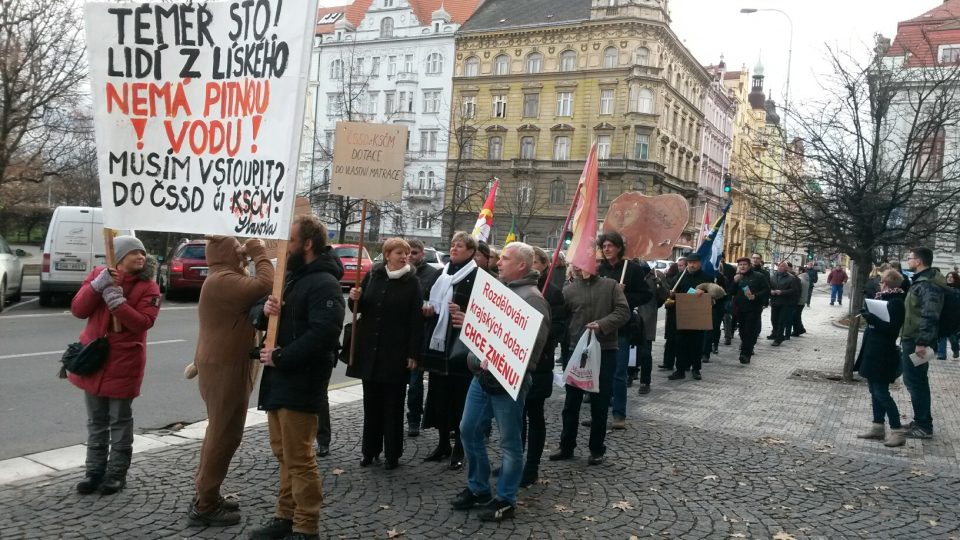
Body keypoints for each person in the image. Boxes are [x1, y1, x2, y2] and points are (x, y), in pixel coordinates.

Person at [249, 215, 346, 540]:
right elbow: (255, 312)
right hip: (280, 379)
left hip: (302, 379)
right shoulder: (289, 277)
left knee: (300, 458)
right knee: (283, 454)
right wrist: (265, 311)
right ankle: (284, 516)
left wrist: (281, 357)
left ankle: (306, 526)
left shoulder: (324, 283)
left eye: (288, 241)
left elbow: (324, 333)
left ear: (307, 244)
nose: (283, 247)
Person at [453, 242, 551, 522]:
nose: (498, 263)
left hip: (508, 384)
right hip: (481, 378)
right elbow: (484, 332)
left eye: (505, 259)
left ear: (522, 265)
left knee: (510, 443)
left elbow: (532, 352)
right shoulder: (496, 291)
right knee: (468, 430)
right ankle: (479, 488)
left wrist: (500, 362)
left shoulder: (533, 300)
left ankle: (506, 499)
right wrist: (474, 351)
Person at [188, 236, 274, 526]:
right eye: (237, 250)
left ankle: (205, 492)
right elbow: (266, 284)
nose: (242, 255)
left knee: (219, 431)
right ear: (227, 253)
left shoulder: (220, 277)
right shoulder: (224, 279)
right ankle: (206, 504)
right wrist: (258, 251)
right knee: (225, 434)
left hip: (221, 362)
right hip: (225, 366)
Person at [70, 236, 161, 496]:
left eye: (142, 253)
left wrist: (118, 304)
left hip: (125, 362)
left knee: (120, 420)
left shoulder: (149, 287)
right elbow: (78, 309)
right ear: (118, 257)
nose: (140, 257)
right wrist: (98, 287)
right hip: (94, 360)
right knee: (96, 420)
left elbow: (143, 322)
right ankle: (93, 472)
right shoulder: (100, 274)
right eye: (133, 252)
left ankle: (116, 474)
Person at [347, 238, 423, 470]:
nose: (404, 257)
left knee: (393, 404)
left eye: (407, 253)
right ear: (387, 254)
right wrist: (354, 299)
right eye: (399, 252)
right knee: (372, 404)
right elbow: (360, 310)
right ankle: (369, 451)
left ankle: (392, 453)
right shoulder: (373, 276)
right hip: (370, 351)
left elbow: (416, 321)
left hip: (395, 352)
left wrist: (413, 353)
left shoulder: (412, 283)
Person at [549, 263, 630, 465]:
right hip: (576, 351)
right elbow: (560, 317)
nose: (578, 267)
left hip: (605, 351)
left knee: (600, 403)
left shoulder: (611, 286)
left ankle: (597, 449)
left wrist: (602, 324)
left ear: (595, 264)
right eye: (576, 263)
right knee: (571, 403)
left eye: (583, 262)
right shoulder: (568, 290)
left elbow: (623, 312)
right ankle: (566, 446)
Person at [421, 231, 479, 470]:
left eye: (460, 246)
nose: (454, 249)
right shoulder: (442, 273)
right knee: (439, 397)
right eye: (453, 245)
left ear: (471, 251)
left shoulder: (478, 276)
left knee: (460, 400)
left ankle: (460, 448)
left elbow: (485, 315)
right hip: (439, 344)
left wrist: (466, 314)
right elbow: (427, 299)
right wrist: (426, 308)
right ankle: (443, 442)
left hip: (461, 347)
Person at [596, 232, 651, 430]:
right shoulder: (598, 269)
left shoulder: (633, 269)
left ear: (619, 248)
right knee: (599, 373)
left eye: (610, 245)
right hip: (600, 327)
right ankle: (599, 413)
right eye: (604, 246)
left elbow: (646, 295)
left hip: (622, 328)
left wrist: (623, 294)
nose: (607, 249)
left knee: (618, 373)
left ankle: (619, 415)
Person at [526, 247, 566, 485]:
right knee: (515, 417)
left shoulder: (552, 292)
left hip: (539, 363)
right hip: (515, 364)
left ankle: (532, 465)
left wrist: (537, 332)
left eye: (533, 260)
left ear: (542, 264)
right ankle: (513, 461)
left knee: (535, 414)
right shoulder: (513, 288)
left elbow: (558, 328)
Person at [855, 269, 907, 447]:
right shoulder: (883, 298)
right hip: (873, 350)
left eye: (882, 282)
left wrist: (872, 320)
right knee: (873, 391)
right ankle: (878, 426)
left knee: (881, 393)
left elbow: (891, 328)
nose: (880, 284)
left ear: (887, 283)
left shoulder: (896, 302)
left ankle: (897, 431)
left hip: (883, 353)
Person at [900, 246, 944, 440]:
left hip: (918, 341)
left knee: (915, 382)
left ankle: (924, 425)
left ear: (918, 261)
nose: (908, 261)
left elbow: (929, 315)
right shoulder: (922, 281)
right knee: (917, 381)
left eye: (910, 258)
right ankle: (920, 420)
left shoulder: (928, 284)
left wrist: (921, 342)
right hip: (915, 339)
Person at [406, 240, 440, 438]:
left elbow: (435, 299)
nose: (410, 256)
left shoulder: (433, 274)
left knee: (416, 380)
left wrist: (428, 307)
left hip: (422, 333)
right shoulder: (401, 272)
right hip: (401, 333)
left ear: (422, 255)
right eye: (407, 252)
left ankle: (414, 419)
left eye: (414, 252)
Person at [666, 254, 711, 380]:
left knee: (696, 344)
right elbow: (673, 293)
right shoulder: (680, 276)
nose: (692, 265)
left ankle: (696, 369)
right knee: (680, 344)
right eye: (690, 262)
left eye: (694, 262)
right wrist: (672, 294)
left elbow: (713, 294)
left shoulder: (706, 278)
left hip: (698, 317)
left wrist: (705, 293)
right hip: (683, 316)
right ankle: (680, 370)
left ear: (700, 263)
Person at [732, 257, 770, 364]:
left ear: (749, 266)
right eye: (740, 265)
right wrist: (734, 282)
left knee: (750, 331)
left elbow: (767, 290)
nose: (742, 266)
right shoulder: (738, 277)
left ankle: (745, 354)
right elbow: (731, 292)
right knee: (742, 332)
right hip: (740, 308)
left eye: (744, 264)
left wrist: (755, 296)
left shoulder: (759, 276)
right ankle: (747, 348)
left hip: (753, 308)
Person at [634, 259, 663, 395]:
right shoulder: (628, 272)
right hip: (630, 319)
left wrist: (660, 285)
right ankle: (630, 374)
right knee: (630, 352)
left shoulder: (655, 276)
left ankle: (645, 381)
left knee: (645, 352)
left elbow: (663, 298)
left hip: (647, 320)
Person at [657, 259, 686, 371]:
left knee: (681, 341)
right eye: (678, 265)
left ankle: (683, 365)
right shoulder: (675, 278)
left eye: (682, 265)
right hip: (673, 312)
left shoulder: (687, 278)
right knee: (670, 339)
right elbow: (669, 292)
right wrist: (670, 294)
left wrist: (677, 295)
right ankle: (667, 362)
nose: (680, 268)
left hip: (684, 312)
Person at [768, 260, 801, 346]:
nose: (780, 267)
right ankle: (778, 335)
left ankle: (778, 339)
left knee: (781, 321)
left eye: (782, 266)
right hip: (775, 302)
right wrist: (770, 291)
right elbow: (769, 286)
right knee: (773, 320)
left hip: (785, 303)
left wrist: (782, 292)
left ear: (787, 268)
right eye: (779, 266)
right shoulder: (773, 276)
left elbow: (794, 291)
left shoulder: (792, 278)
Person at [937, 271, 960, 360]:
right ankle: (941, 354)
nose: (949, 278)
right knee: (942, 335)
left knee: (953, 337)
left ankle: (955, 349)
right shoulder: (943, 289)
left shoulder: (958, 291)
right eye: (948, 277)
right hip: (943, 315)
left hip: (954, 317)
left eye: (952, 277)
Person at [789, 267, 810, 337]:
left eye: (796, 270)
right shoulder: (806, 278)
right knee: (797, 316)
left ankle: (798, 330)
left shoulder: (800, 279)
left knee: (795, 317)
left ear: (801, 271)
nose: (795, 271)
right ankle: (799, 329)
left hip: (799, 301)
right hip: (803, 300)